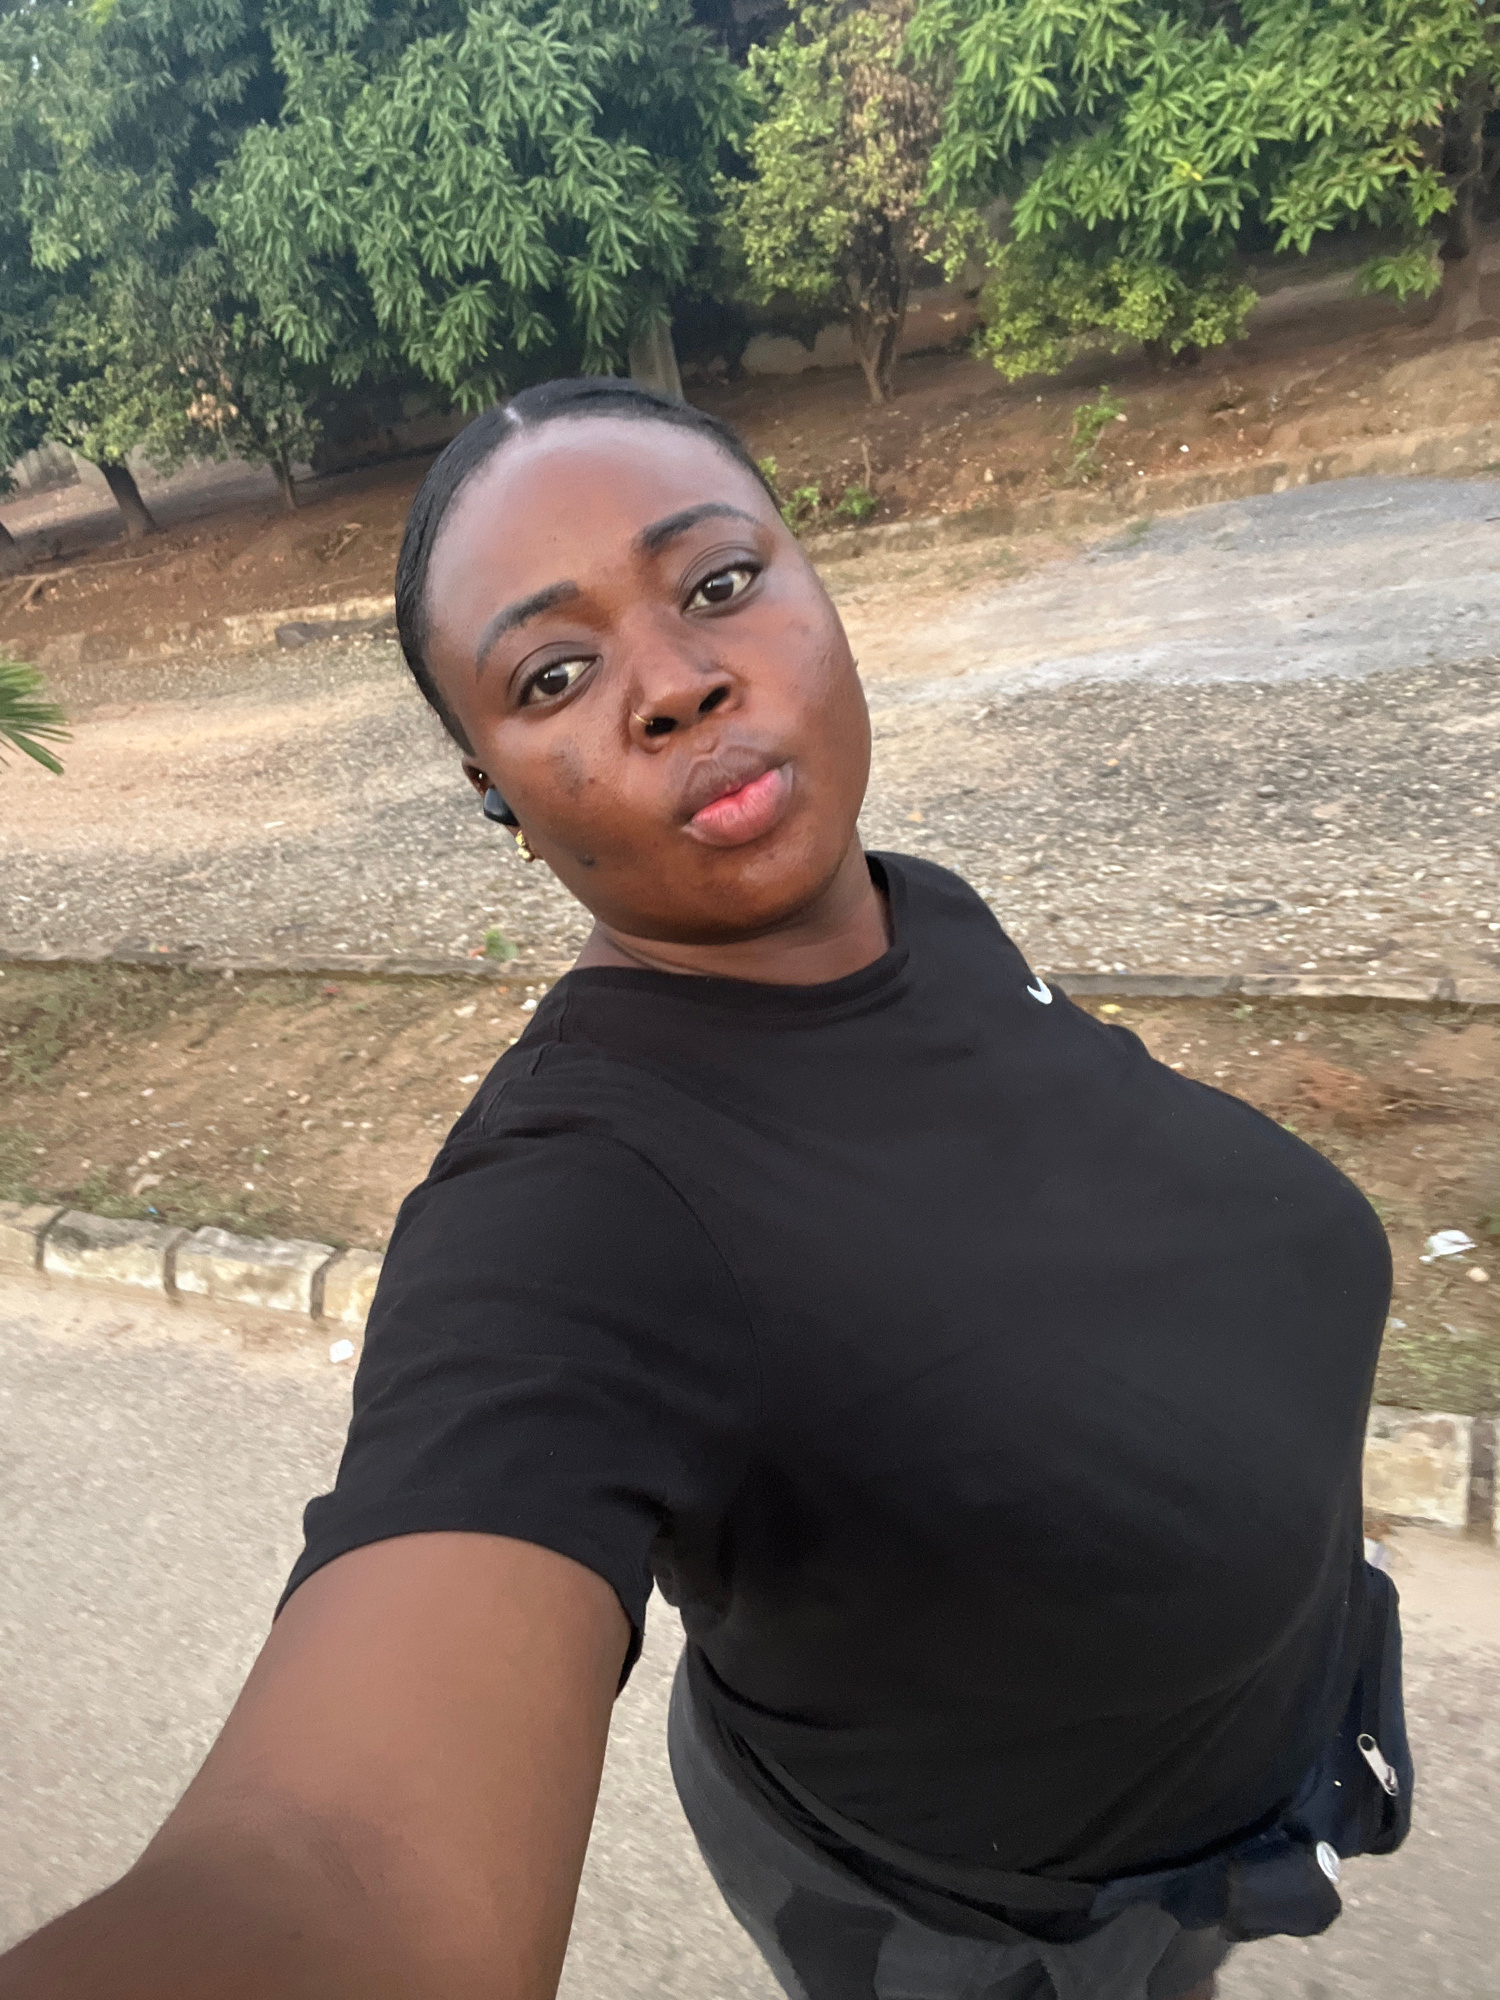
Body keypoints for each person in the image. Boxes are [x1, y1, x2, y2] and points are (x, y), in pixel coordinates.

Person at [0, 379, 1409, 2000]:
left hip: (1227, 1796)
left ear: (820, 590)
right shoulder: (575, 1204)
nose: (674, 683)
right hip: (984, 1932)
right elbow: (343, 1870)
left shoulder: (917, 914)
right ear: (494, 790)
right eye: (552, 675)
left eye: (721, 583)